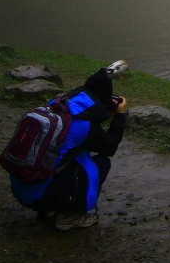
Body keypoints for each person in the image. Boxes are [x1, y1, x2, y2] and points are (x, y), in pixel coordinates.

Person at [8, 68, 128, 230]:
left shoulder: (56, 106)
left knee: (68, 156)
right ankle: (70, 215)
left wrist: (104, 111)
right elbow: (109, 146)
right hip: (40, 195)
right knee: (101, 163)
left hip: (21, 190)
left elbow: (82, 128)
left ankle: (50, 208)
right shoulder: (84, 127)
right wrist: (120, 116)